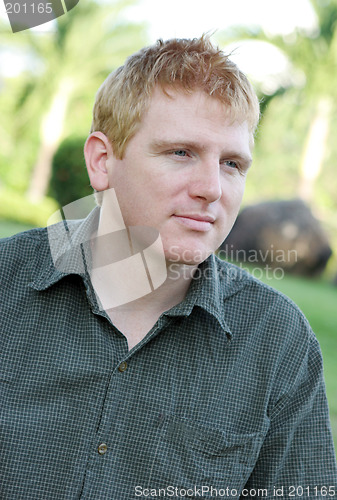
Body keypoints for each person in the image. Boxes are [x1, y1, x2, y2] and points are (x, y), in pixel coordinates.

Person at [0, 35, 336, 500]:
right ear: (102, 161)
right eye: (181, 153)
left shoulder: (278, 343)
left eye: (233, 163)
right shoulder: (5, 283)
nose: (212, 188)